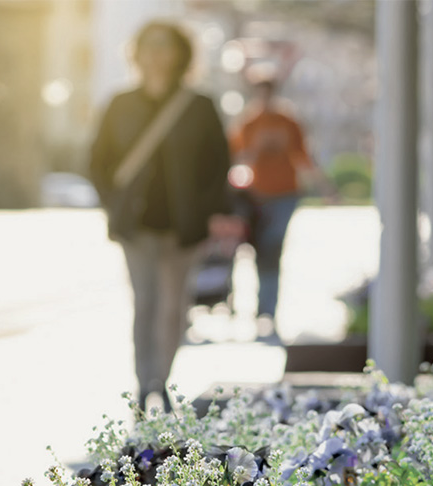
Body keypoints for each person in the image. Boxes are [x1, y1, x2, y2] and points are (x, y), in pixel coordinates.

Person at [89, 21, 232, 413]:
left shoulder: (198, 105)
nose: (156, 54)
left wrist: (205, 210)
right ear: (136, 53)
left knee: (174, 307)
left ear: (179, 54)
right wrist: (112, 203)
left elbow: (218, 164)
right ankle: (142, 385)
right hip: (136, 226)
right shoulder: (120, 104)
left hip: (184, 228)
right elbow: (97, 162)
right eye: (148, 46)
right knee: (145, 303)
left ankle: (162, 381)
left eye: (164, 46)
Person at [228, 76, 325, 340]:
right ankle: (256, 308)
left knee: (273, 248)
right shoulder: (248, 123)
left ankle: (267, 311)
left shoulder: (288, 122)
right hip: (256, 196)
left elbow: (304, 156)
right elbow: (235, 158)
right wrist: (255, 151)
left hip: (285, 195)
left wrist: (326, 188)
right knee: (258, 251)